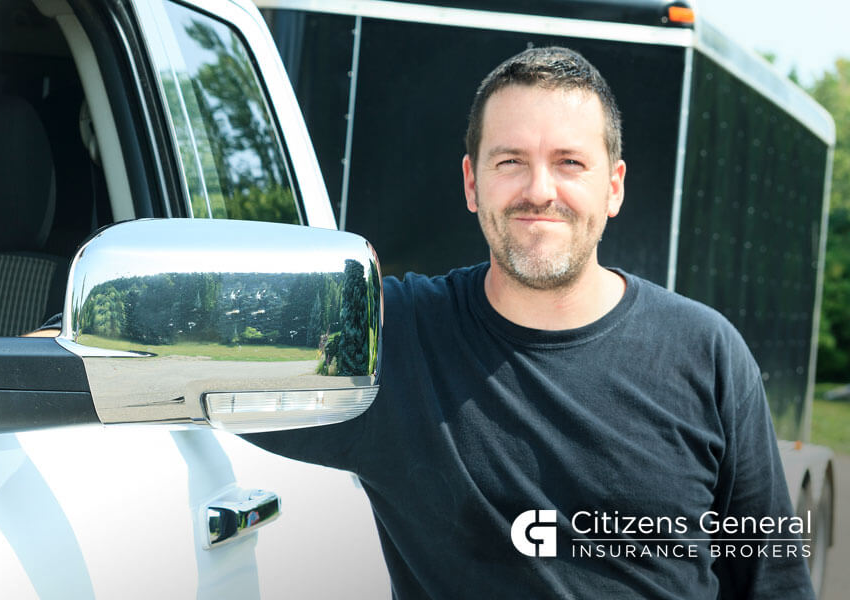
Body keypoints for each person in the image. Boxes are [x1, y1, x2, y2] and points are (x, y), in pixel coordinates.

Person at [244, 46, 815, 599]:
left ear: (613, 187)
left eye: (569, 163)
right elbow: (210, 360)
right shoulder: (388, 339)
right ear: (472, 183)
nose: (540, 192)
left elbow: (773, 582)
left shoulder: (706, 353)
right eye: (511, 161)